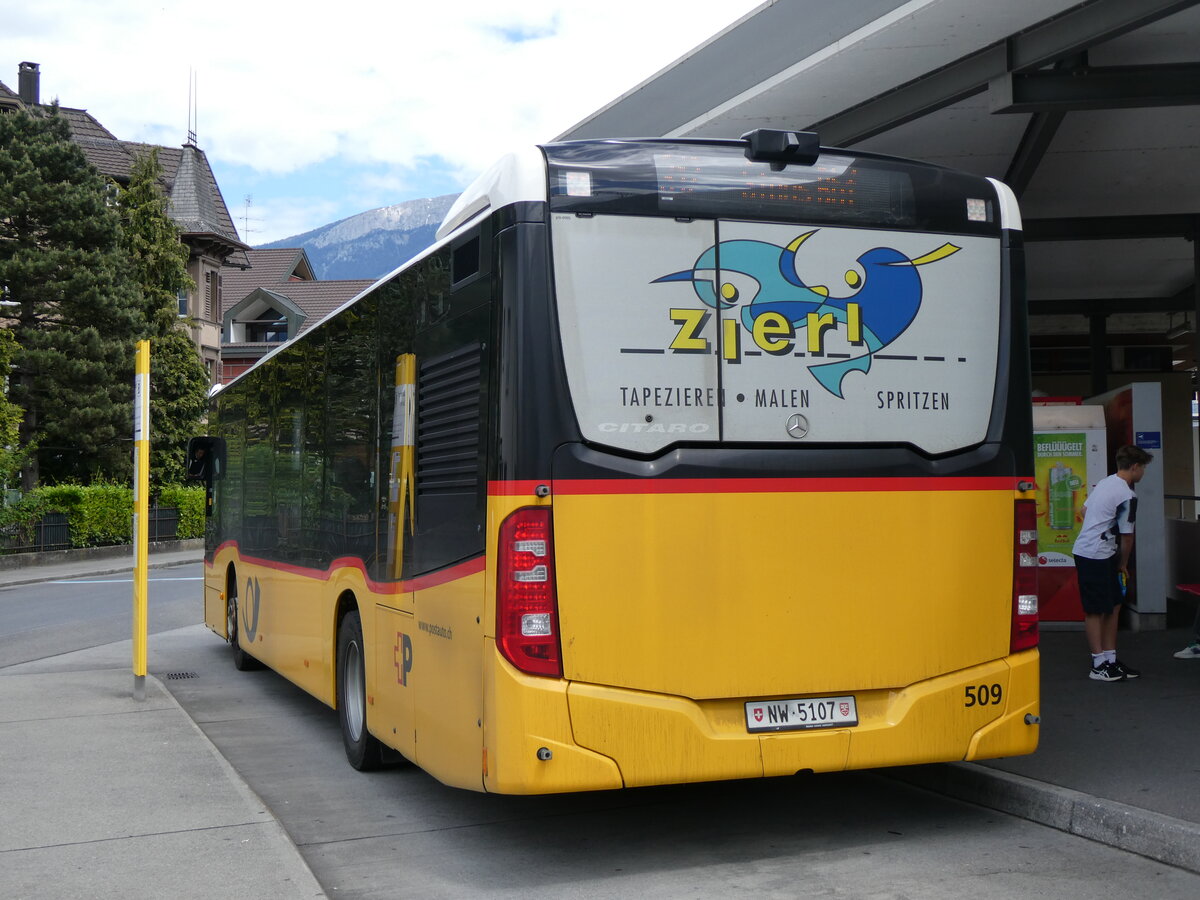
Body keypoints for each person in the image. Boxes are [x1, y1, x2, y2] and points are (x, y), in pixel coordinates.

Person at [1071, 444, 1153, 682]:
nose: (1143, 473)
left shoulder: (1106, 482)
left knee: (1114, 604)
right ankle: (1098, 664)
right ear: (1135, 467)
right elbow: (1127, 537)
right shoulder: (1128, 496)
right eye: (1143, 468)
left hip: (1097, 551)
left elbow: (1085, 511)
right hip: (1094, 555)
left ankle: (1110, 659)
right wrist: (1123, 563)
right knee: (1096, 609)